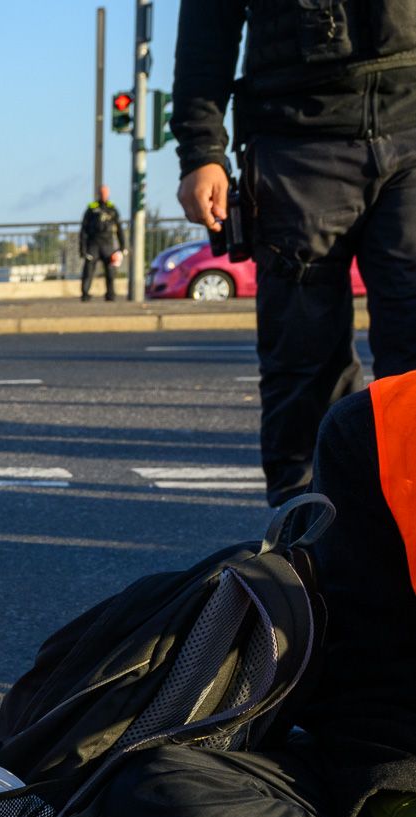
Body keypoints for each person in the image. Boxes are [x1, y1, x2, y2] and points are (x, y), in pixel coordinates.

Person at [104, 374, 416, 817]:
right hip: (391, 770)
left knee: (155, 810)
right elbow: (362, 680)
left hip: (387, 774)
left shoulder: (377, 422)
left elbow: (354, 682)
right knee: (156, 784)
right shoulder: (379, 424)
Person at [175, 0, 416, 506]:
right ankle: (314, 541)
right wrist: (201, 152)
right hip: (296, 139)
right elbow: (206, 24)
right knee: (304, 361)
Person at [78, 185, 124, 302]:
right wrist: (82, 249)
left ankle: (110, 294)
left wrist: (122, 247)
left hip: (107, 244)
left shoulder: (112, 208)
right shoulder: (92, 208)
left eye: (105, 192)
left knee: (110, 271)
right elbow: (83, 230)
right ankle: (85, 294)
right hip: (93, 243)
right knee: (88, 269)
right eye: (102, 192)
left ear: (108, 194)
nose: (104, 195)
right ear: (99, 193)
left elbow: (119, 229)